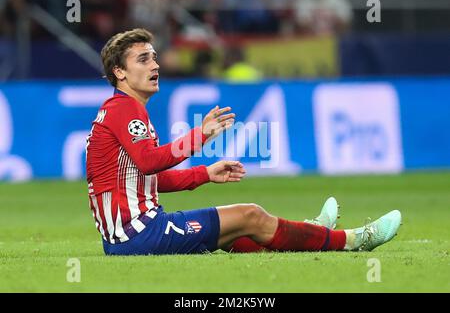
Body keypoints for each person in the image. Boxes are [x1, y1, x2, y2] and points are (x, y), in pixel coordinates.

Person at [86, 28, 401, 256]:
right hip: (139, 234)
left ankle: (310, 232)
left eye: (154, 58)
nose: (154, 66)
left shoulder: (120, 110)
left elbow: (144, 179)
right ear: (120, 72)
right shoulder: (124, 110)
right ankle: (352, 239)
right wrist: (201, 135)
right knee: (250, 215)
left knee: (238, 230)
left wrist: (205, 174)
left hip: (129, 235)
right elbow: (149, 162)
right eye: (143, 60)